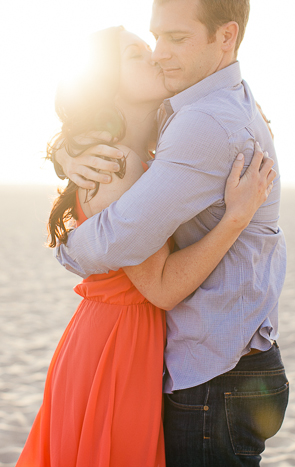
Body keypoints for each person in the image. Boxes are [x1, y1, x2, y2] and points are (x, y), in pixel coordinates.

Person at [16, 26, 276, 467]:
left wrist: (64, 150)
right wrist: (235, 219)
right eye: (137, 54)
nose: (156, 56)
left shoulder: (140, 156)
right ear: (109, 84)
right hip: (117, 347)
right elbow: (161, 289)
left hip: (120, 339)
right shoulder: (119, 168)